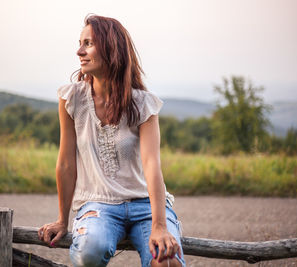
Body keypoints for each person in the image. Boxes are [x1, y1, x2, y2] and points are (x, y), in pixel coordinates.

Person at [38, 14, 186, 267]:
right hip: (98, 205)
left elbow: (152, 165)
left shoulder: (143, 103)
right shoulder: (71, 99)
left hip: (145, 206)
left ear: (110, 48)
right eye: (80, 42)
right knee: (89, 252)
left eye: (88, 44)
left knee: (166, 260)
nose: (79, 51)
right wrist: (62, 220)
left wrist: (160, 225)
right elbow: (65, 163)